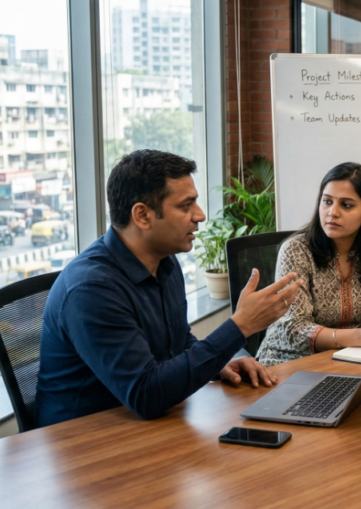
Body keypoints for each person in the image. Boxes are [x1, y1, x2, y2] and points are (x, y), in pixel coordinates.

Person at [35, 150, 302, 428]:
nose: (199, 215)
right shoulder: (91, 289)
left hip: (142, 424)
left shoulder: (164, 262)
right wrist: (240, 326)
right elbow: (147, 395)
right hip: (81, 442)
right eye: (186, 206)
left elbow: (177, 342)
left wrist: (219, 363)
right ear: (142, 215)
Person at [256, 163, 361, 365]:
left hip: (352, 359)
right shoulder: (296, 251)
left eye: (346, 205)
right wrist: (359, 336)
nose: (332, 212)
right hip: (288, 363)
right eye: (327, 201)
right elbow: (295, 329)